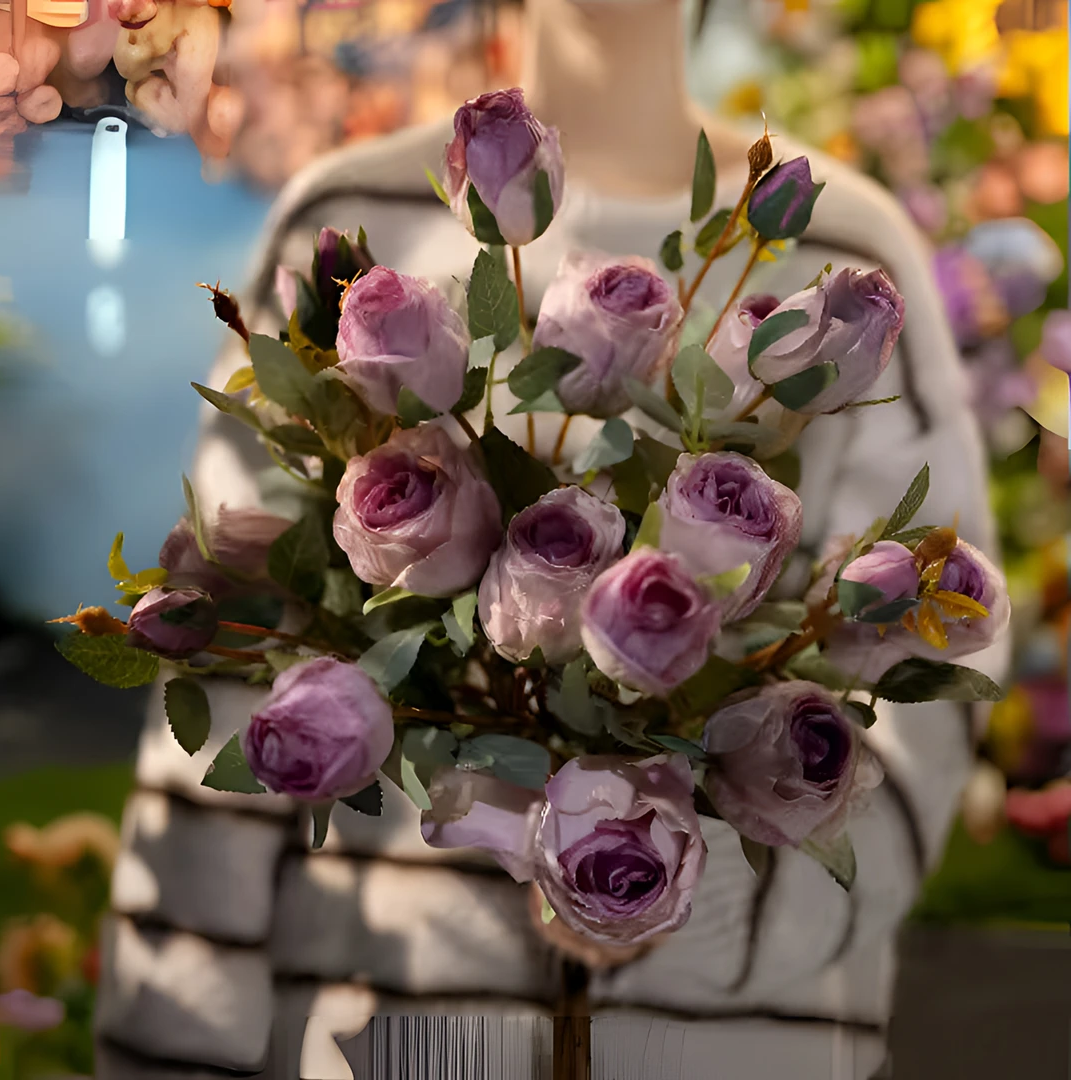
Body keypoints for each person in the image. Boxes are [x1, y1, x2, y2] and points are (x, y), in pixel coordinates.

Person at [95, 0, 1009, 1076]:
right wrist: (172, 1048)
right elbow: (235, 670)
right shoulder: (347, 220)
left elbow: (927, 689)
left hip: (743, 1047)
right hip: (393, 1032)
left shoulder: (851, 256)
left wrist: (656, 889)